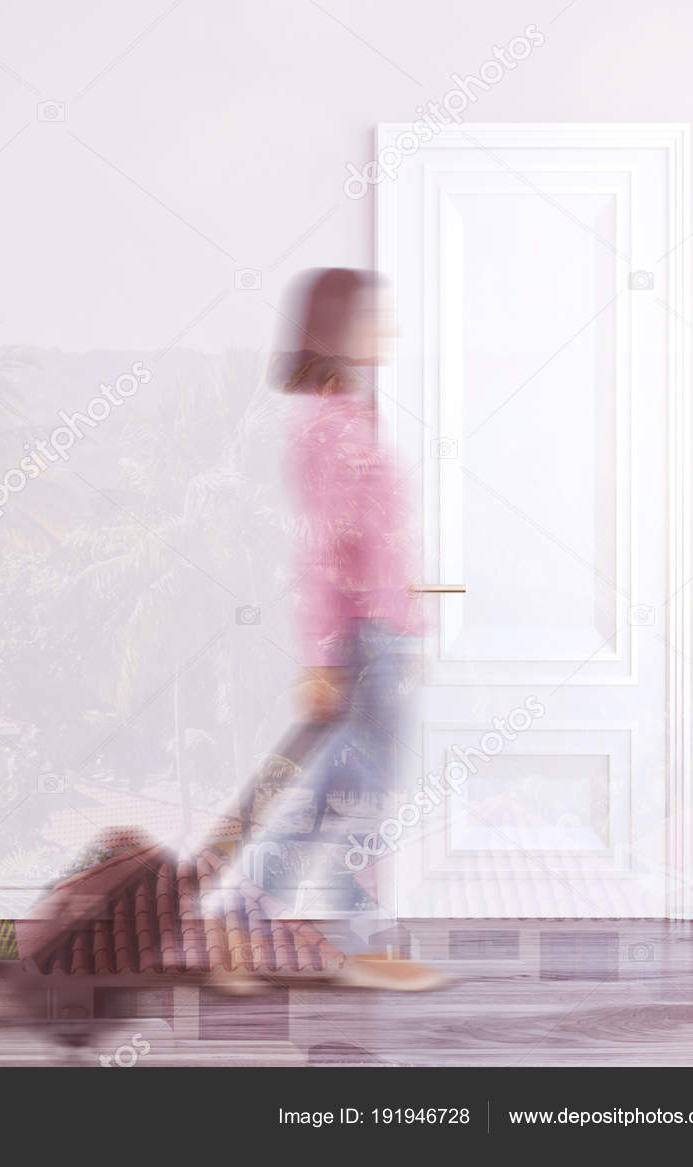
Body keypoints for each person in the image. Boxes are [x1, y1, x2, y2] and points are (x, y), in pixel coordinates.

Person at [218, 267, 446, 993]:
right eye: (376, 319)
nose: (391, 333)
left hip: (387, 636)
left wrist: (413, 615)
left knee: (344, 794)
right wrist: (320, 657)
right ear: (338, 329)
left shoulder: (350, 417)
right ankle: (352, 938)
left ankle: (249, 924)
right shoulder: (325, 427)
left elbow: (375, 539)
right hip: (366, 641)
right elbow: (318, 550)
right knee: (361, 795)